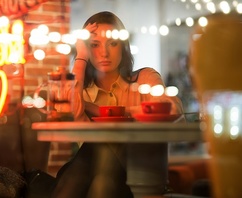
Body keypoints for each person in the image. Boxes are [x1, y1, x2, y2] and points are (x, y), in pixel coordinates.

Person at [48, 11, 184, 198]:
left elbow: (173, 108)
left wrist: (101, 111)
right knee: (100, 179)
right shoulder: (83, 94)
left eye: (112, 43)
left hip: (139, 178)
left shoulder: (143, 78)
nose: (104, 53)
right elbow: (68, 109)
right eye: (94, 45)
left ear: (123, 47)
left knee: (101, 145)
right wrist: (80, 57)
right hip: (90, 176)